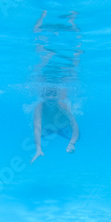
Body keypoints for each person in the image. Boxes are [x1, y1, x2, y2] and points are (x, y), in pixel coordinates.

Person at [30, 10, 82, 164]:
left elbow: (75, 127)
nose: (51, 97)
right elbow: (37, 127)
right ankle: (44, 17)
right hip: (48, 129)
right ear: (43, 95)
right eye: (48, 94)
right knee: (36, 134)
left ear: (58, 95)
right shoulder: (39, 107)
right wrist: (38, 148)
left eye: (54, 94)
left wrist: (72, 143)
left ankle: (71, 22)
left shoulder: (63, 106)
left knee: (79, 135)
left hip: (62, 127)